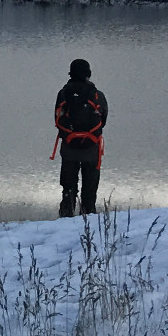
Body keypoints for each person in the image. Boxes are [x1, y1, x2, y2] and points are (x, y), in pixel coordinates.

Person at [53, 57, 108, 217]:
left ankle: (65, 221)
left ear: (70, 74)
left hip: (69, 148)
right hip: (92, 148)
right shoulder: (98, 95)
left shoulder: (63, 94)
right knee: (89, 193)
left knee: (68, 189)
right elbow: (103, 121)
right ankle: (88, 222)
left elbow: (57, 120)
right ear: (88, 74)